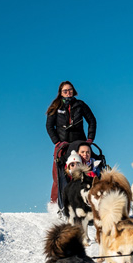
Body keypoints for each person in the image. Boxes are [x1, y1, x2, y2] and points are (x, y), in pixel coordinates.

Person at [47, 81, 97, 209]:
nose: (68, 93)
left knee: (86, 171)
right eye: (65, 91)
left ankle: (88, 201)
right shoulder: (56, 106)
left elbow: (92, 120)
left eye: (70, 90)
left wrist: (90, 139)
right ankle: (56, 205)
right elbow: (49, 126)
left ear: (73, 91)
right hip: (62, 146)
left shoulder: (80, 105)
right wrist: (57, 142)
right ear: (60, 93)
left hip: (79, 144)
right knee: (58, 174)